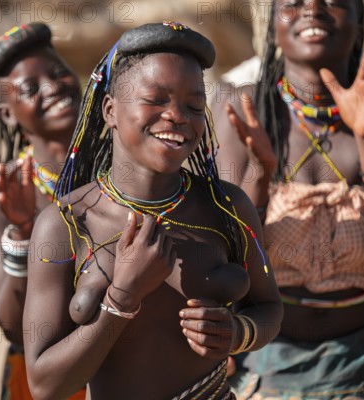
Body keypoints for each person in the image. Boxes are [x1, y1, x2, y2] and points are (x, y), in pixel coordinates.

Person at [22, 21, 283, 400]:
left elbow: (270, 309)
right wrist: (121, 299)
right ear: (110, 109)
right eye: (157, 100)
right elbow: (44, 385)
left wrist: (237, 333)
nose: (177, 115)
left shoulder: (227, 205)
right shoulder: (64, 224)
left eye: (194, 105)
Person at [211, 0, 364, 398]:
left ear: (358, 20)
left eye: (334, 1)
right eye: (293, 3)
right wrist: (260, 171)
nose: (313, 8)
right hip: (263, 362)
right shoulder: (240, 108)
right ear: (273, 25)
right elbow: (224, 255)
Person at [0, 22, 85, 399]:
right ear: (7, 115)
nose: (54, 87)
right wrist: (23, 232)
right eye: (30, 88)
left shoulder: (124, 168)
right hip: (46, 378)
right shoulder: (1, 192)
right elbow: (10, 324)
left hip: (130, 365)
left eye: (59, 73)